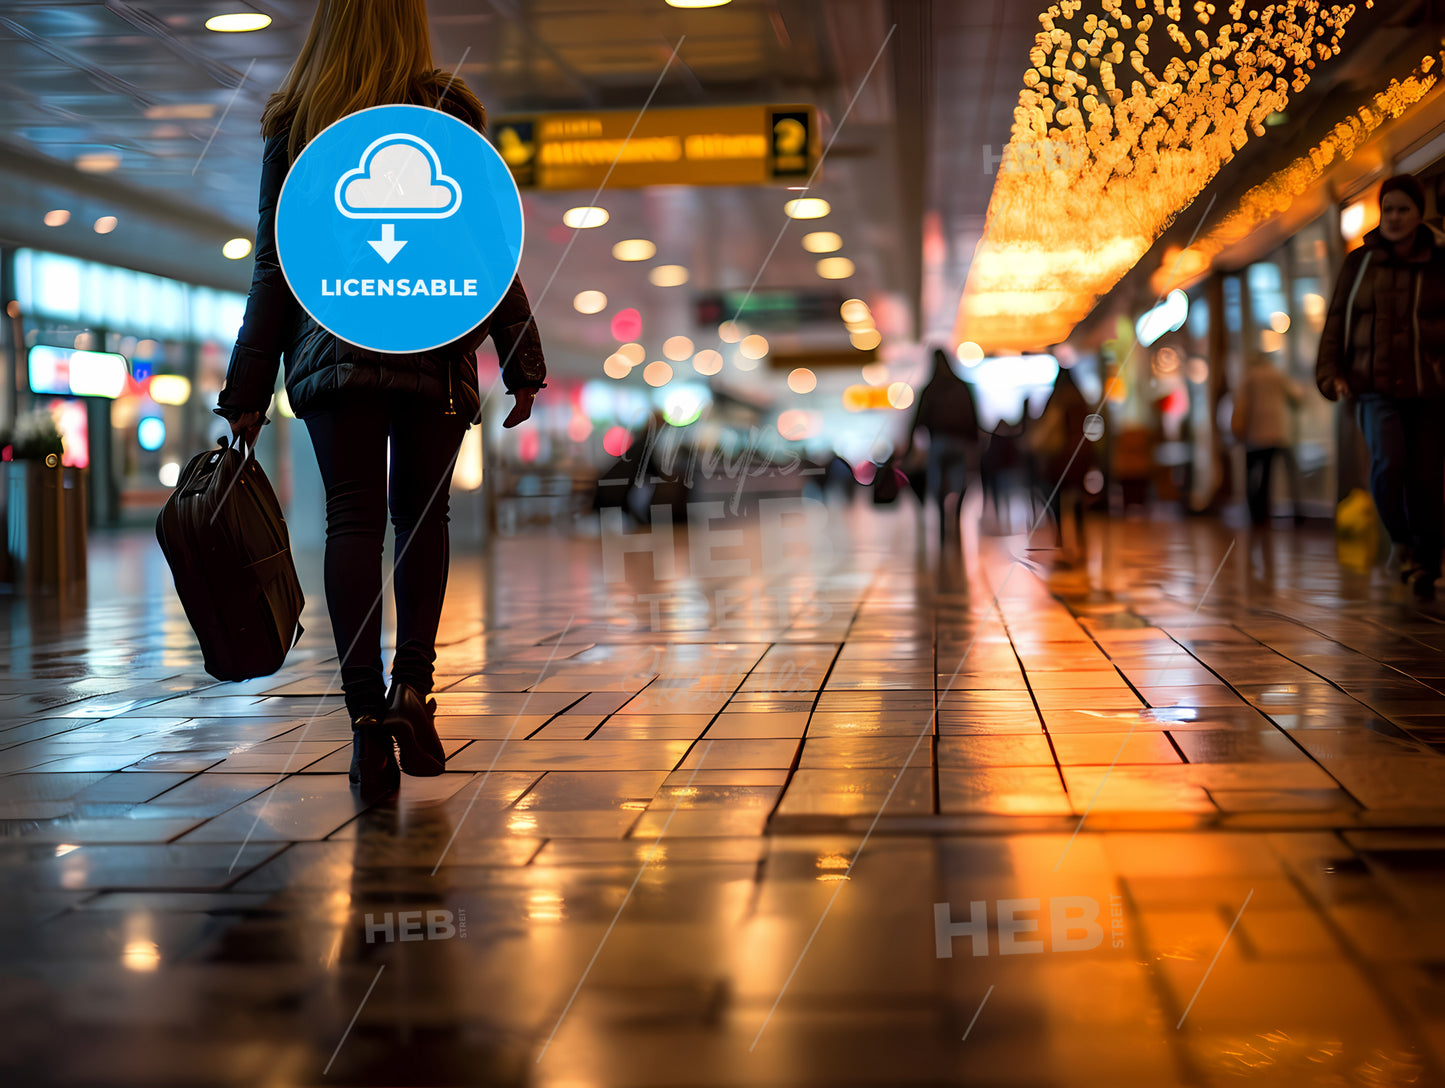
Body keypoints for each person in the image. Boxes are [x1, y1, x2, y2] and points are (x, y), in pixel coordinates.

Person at [214, 0, 547, 797]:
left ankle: (365, 726)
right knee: (422, 520)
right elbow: (487, 250)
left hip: (334, 355)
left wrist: (247, 387)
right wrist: (521, 362)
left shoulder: (297, 122)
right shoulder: (445, 112)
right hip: (433, 348)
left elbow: (275, 265)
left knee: (353, 523)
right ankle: (412, 692)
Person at [1317, 173, 1445, 601]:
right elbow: (1337, 319)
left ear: (1419, 213)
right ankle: (1402, 542)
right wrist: (1331, 372)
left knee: (1427, 476)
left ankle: (1427, 561)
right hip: (1372, 385)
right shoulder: (1360, 262)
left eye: (1403, 209)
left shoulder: (1439, 259)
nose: (1393, 217)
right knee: (1389, 462)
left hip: (1429, 387)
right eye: (1387, 209)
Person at [905, 348, 980, 541]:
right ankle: (956, 514)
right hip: (960, 443)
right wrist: (975, 443)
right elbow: (973, 416)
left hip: (938, 443)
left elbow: (917, 420)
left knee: (936, 485)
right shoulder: (962, 386)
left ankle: (941, 520)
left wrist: (909, 446)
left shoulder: (930, 389)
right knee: (960, 482)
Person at [1031, 364, 1096, 561]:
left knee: (1057, 499)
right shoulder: (1080, 398)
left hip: (1059, 457)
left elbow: (1043, 425)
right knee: (1078, 497)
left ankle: (1060, 538)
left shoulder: (1055, 399)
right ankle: (1081, 536)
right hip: (1080, 455)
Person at [1232, 353, 1304, 526]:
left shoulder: (1250, 377)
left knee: (1251, 474)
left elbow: (1241, 404)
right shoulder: (1277, 375)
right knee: (1267, 475)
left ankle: (1254, 512)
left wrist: (1238, 429)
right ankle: (1265, 511)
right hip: (1275, 432)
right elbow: (1296, 396)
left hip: (1254, 434)